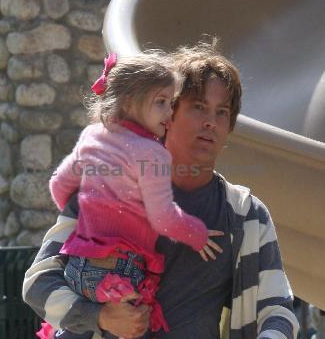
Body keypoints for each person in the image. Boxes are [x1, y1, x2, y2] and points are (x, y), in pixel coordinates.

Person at [23, 41, 299, 339]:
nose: (210, 122)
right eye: (198, 107)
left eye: (222, 112)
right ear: (166, 115)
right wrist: (100, 317)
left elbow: (278, 310)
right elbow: (38, 282)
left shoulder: (246, 214)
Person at [47, 51, 224, 335]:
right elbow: (163, 218)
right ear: (130, 103)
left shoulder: (92, 135)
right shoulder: (152, 154)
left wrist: (79, 220)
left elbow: (59, 184)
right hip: (118, 271)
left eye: (171, 103)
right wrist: (197, 233)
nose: (169, 113)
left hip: (77, 266)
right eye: (161, 102)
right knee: (133, 326)